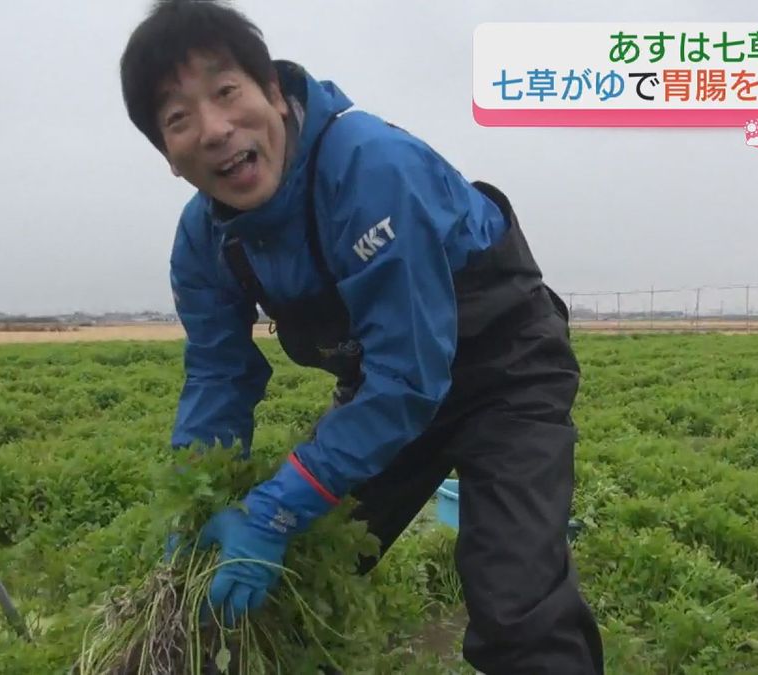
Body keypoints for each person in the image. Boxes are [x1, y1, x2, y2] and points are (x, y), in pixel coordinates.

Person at [119, 1, 604, 672]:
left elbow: (411, 374)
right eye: (179, 119)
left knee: (517, 602)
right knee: (302, 567)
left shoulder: (369, 167)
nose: (215, 129)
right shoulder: (205, 243)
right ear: (167, 157)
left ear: (274, 94)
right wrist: (188, 516)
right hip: (381, 392)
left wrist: (273, 509)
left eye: (226, 92)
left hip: (505, 372)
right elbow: (218, 377)